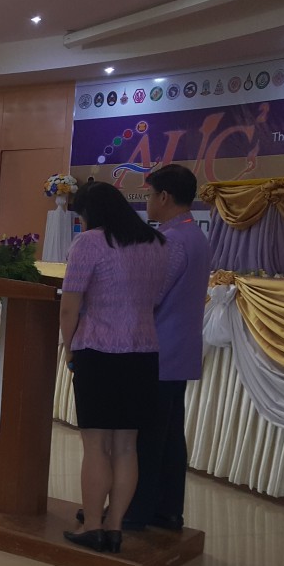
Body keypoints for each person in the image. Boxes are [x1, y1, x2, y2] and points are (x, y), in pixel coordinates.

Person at [59, 182, 170, 554]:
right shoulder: (157, 244)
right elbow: (155, 299)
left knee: (95, 446)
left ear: (91, 213)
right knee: (126, 446)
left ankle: (92, 525)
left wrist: (69, 350)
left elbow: (69, 307)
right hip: (143, 353)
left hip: (98, 350)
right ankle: (115, 527)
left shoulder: (90, 243)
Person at [121, 164, 211, 532]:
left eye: (148, 194)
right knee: (171, 436)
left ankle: (135, 511)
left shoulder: (171, 240)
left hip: (159, 350)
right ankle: (167, 510)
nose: (146, 202)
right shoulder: (195, 235)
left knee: (148, 438)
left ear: (165, 196)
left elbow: (152, 294)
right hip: (181, 349)